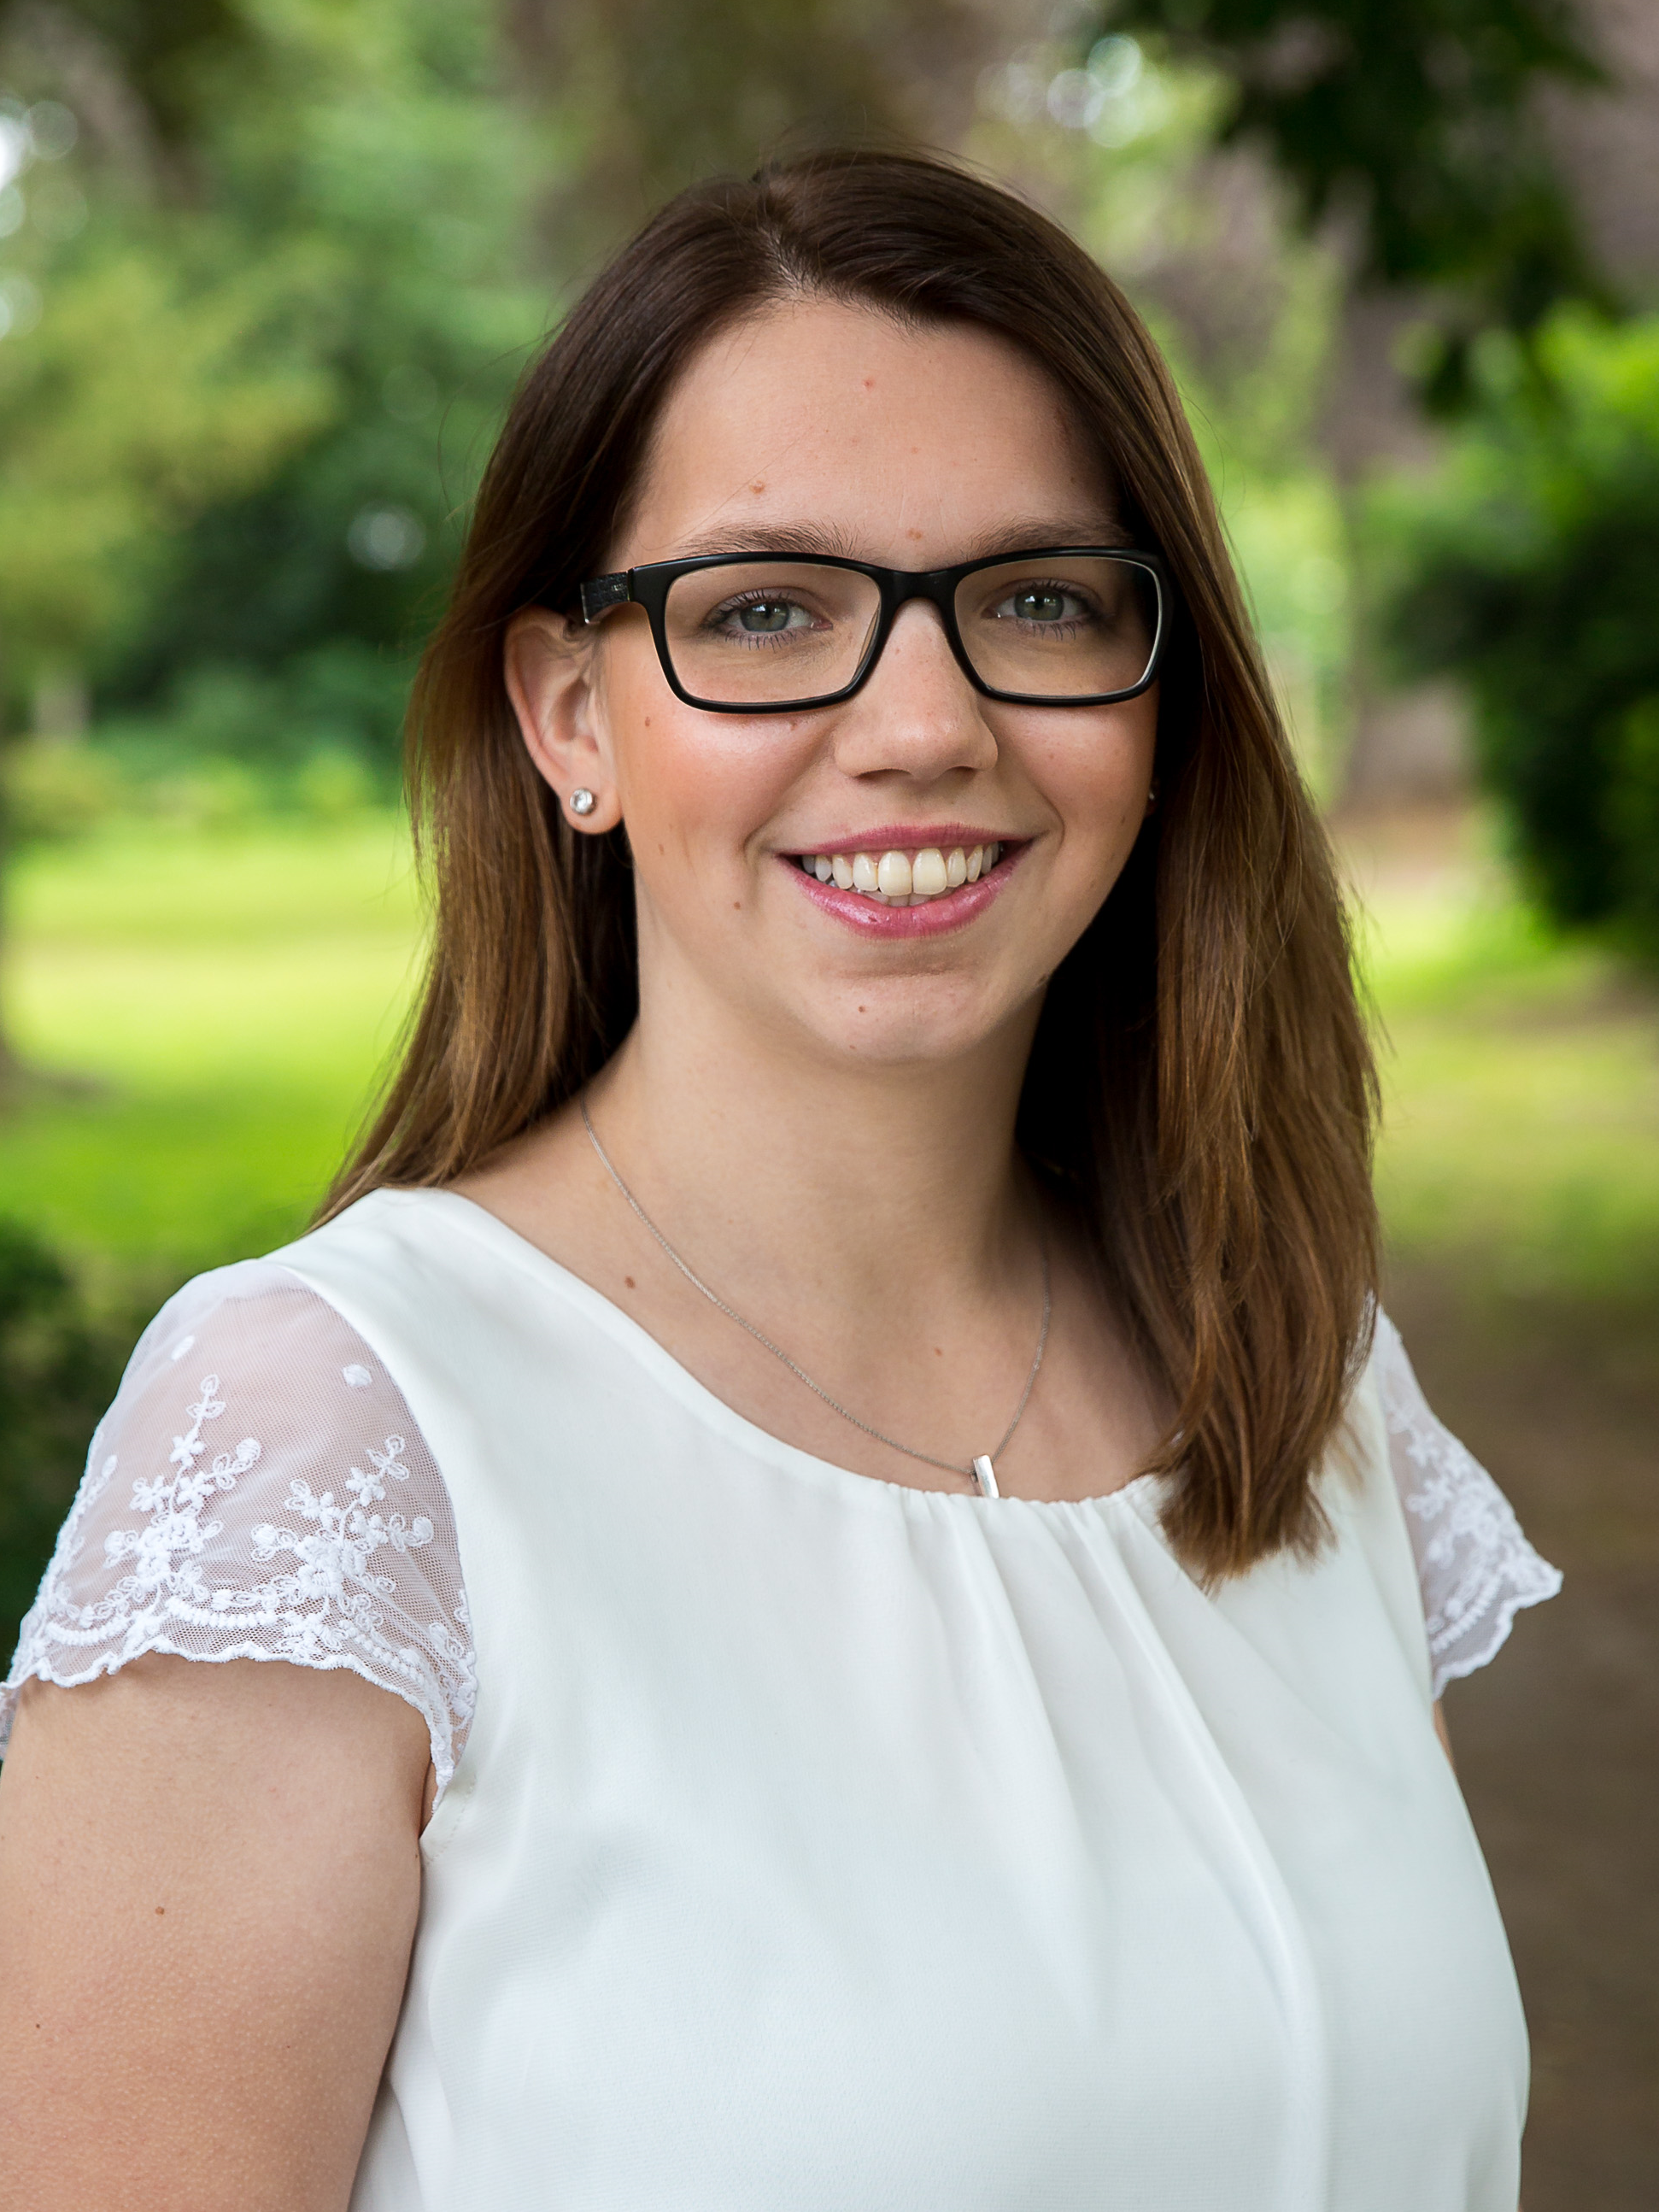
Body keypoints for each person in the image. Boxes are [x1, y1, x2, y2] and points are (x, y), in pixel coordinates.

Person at [0, 150, 1560, 2212]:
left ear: (1158, 689)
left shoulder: (1292, 1377)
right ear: (569, 716)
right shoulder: (338, 1443)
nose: (921, 724)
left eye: (1036, 599)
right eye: (761, 611)